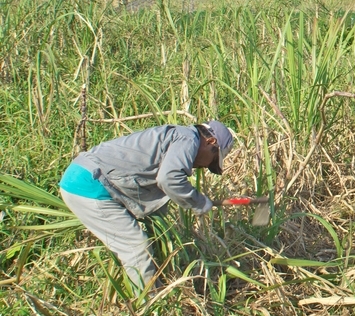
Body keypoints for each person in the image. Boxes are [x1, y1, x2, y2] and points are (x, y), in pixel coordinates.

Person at [59, 121, 234, 293]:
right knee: (135, 246)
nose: (204, 167)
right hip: (88, 184)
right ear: (210, 142)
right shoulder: (188, 139)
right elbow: (169, 179)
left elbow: (156, 184)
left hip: (87, 176)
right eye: (212, 161)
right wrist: (200, 203)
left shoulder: (175, 138)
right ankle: (150, 304)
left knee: (145, 241)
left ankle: (154, 290)